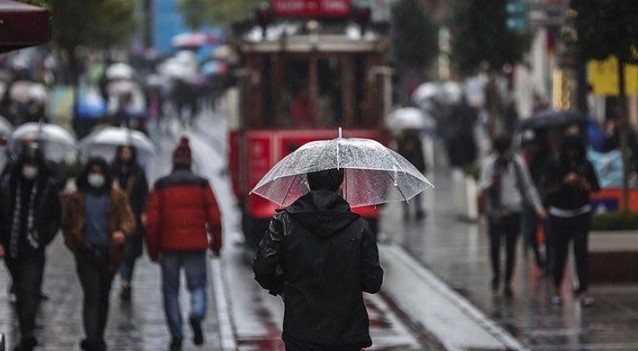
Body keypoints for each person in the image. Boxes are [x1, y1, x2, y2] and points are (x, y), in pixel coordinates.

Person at [252, 168, 384, 351]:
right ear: (341, 184)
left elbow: (262, 267)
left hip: (300, 333)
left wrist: (283, 288)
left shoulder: (284, 222)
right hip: (346, 335)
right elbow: (373, 282)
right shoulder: (358, 227)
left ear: (307, 183)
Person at [145, 137, 222, 351]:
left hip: (168, 248)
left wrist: (153, 251)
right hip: (196, 246)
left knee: (170, 292)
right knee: (198, 286)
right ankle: (196, 313)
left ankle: (177, 335)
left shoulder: (161, 186)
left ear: (173, 161)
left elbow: (151, 223)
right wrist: (216, 246)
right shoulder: (202, 184)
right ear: (190, 162)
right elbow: (215, 218)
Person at [60, 157, 136, 351]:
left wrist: (122, 233)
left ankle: (99, 335)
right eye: (92, 171)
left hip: (109, 254)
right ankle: (91, 339)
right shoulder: (77, 198)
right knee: (91, 294)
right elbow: (67, 224)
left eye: (99, 171)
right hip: (86, 253)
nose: (96, 176)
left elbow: (129, 220)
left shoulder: (117, 197)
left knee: (103, 295)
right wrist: (75, 243)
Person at [0, 145, 61, 351]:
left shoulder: (47, 188)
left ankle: (27, 331)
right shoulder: (8, 186)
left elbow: (55, 217)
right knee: (20, 287)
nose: (30, 168)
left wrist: (42, 237)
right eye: (28, 164)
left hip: (34, 248)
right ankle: (25, 327)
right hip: (12, 247)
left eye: (34, 164)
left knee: (29, 289)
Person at [479, 135, 546, 297]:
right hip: (495, 212)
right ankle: (496, 275)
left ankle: (508, 281)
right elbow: (482, 187)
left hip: (514, 211)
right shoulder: (489, 164)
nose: (504, 155)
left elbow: (527, 186)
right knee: (495, 246)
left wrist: (537, 207)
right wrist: (492, 184)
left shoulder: (518, 164)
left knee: (511, 248)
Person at [540, 135, 600, 306]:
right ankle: (557, 289)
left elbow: (596, 186)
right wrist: (564, 183)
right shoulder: (554, 164)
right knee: (560, 253)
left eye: (575, 151)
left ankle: (583, 290)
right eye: (570, 151)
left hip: (581, 212)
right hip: (560, 214)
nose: (572, 154)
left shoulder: (585, 164)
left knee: (581, 253)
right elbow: (546, 188)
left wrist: (584, 184)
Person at [110, 144, 149, 302]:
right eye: (123, 152)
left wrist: (144, 212)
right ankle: (123, 279)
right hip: (115, 217)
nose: (126, 155)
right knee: (118, 250)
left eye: (128, 152)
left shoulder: (138, 171)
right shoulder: (112, 169)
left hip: (133, 216)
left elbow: (144, 193)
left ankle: (126, 281)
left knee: (130, 252)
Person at [396, 129, 427, 219]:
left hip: (416, 169)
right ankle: (406, 211)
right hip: (405, 170)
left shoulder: (417, 141)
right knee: (405, 192)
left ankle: (418, 210)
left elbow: (420, 155)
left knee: (418, 192)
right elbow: (399, 156)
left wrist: (423, 167)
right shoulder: (401, 141)